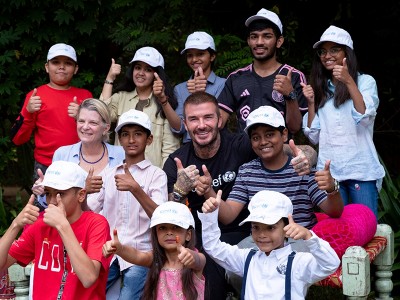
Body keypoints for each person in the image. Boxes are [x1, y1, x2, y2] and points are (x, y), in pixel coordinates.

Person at [162, 91, 317, 300]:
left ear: (219, 120)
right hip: (197, 234)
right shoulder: (177, 160)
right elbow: (169, 214)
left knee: (215, 264)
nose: (201, 125)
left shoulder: (240, 144)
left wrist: (307, 156)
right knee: (195, 261)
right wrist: (180, 190)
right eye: (193, 119)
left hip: (242, 231)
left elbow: (291, 149)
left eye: (208, 117)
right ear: (185, 123)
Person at [301, 25, 385, 219]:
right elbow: (313, 136)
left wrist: (348, 81)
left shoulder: (365, 82)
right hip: (330, 173)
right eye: (323, 51)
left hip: (361, 170)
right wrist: (311, 103)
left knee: (365, 229)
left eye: (334, 49)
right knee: (339, 232)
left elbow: (363, 117)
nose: (327, 55)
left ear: (347, 53)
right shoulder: (320, 86)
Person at [198, 190, 340, 300]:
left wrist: (309, 237)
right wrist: (210, 217)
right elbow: (214, 248)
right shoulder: (247, 258)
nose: (262, 234)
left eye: (270, 227)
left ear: (286, 228)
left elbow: (330, 264)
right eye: (256, 227)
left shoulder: (298, 262)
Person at [0, 160, 112, 300]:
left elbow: (88, 278)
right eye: (48, 193)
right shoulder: (40, 224)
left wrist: (62, 226)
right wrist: (15, 225)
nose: (52, 201)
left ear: (81, 195)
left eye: (60, 194)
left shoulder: (96, 224)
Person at [88, 108, 168, 300]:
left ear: (149, 140)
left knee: (128, 297)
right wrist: (84, 192)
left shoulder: (156, 174)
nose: (131, 140)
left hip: (141, 253)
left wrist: (136, 189)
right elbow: (88, 213)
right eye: (125, 134)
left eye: (138, 134)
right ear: (119, 140)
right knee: (88, 292)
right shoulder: (108, 173)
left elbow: (162, 220)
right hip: (108, 251)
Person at [10, 43, 93, 202]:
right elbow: (17, 138)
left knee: (79, 213)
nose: (62, 67)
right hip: (46, 167)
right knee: (45, 214)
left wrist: (82, 117)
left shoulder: (85, 95)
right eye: (56, 62)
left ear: (75, 69)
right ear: (47, 67)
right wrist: (28, 111)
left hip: (79, 165)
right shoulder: (35, 96)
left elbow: (99, 133)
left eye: (68, 63)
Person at [217, 8, 308, 137]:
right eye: (254, 36)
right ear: (248, 41)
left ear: (279, 41)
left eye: (267, 36)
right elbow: (218, 123)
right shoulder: (236, 78)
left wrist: (290, 95)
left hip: (280, 153)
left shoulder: (294, 76)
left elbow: (294, 128)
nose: (259, 42)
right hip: (243, 153)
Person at [31, 98, 125, 210]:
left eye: (93, 122)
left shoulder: (121, 154)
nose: (85, 127)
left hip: (113, 225)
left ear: (106, 128)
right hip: (71, 226)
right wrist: (42, 192)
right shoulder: (62, 154)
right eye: (81, 121)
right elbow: (53, 202)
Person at [103, 201, 206, 300]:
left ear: (188, 235)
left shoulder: (195, 259)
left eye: (176, 227)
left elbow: (198, 260)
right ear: (156, 234)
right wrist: (120, 249)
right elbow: (137, 256)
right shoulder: (155, 259)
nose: (169, 232)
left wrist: (190, 256)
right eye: (162, 228)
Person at [100, 46, 181, 168]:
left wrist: (163, 179)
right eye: (138, 67)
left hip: (151, 177)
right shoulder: (121, 97)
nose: (141, 73)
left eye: (148, 69)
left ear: (156, 75)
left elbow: (170, 149)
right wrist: (110, 78)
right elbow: (101, 114)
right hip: (120, 172)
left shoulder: (165, 104)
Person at [167, 31, 226, 143]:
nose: (194, 59)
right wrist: (163, 101)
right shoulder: (180, 89)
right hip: (189, 148)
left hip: (218, 147)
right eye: (190, 55)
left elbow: (219, 123)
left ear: (212, 56)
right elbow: (179, 129)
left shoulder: (224, 84)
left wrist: (199, 94)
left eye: (200, 54)